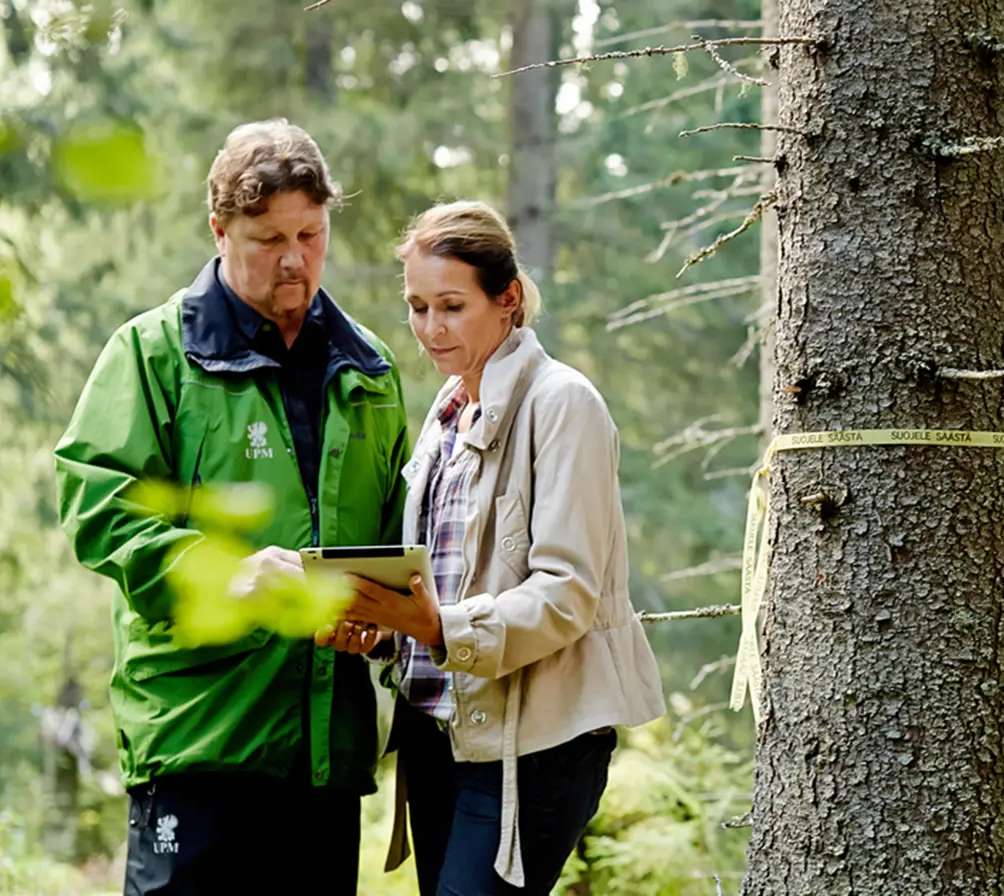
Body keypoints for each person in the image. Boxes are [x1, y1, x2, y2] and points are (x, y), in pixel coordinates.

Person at [54, 119, 411, 895]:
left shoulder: (371, 371)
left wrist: (384, 619)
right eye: (268, 238)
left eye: (310, 234)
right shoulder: (151, 355)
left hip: (325, 754)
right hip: (199, 740)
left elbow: (397, 532)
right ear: (219, 230)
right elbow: (98, 505)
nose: (294, 259)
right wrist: (226, 574)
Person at [336, 201, 664, 896]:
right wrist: (386, 629)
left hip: (532, 746)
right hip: (436, 736)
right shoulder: (446, 413)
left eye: (452, 306)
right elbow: (446, 580)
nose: (431, 328)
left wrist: (437, 627)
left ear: (507, 297)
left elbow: (567, 593)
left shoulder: (564, 403)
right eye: (418, 307)